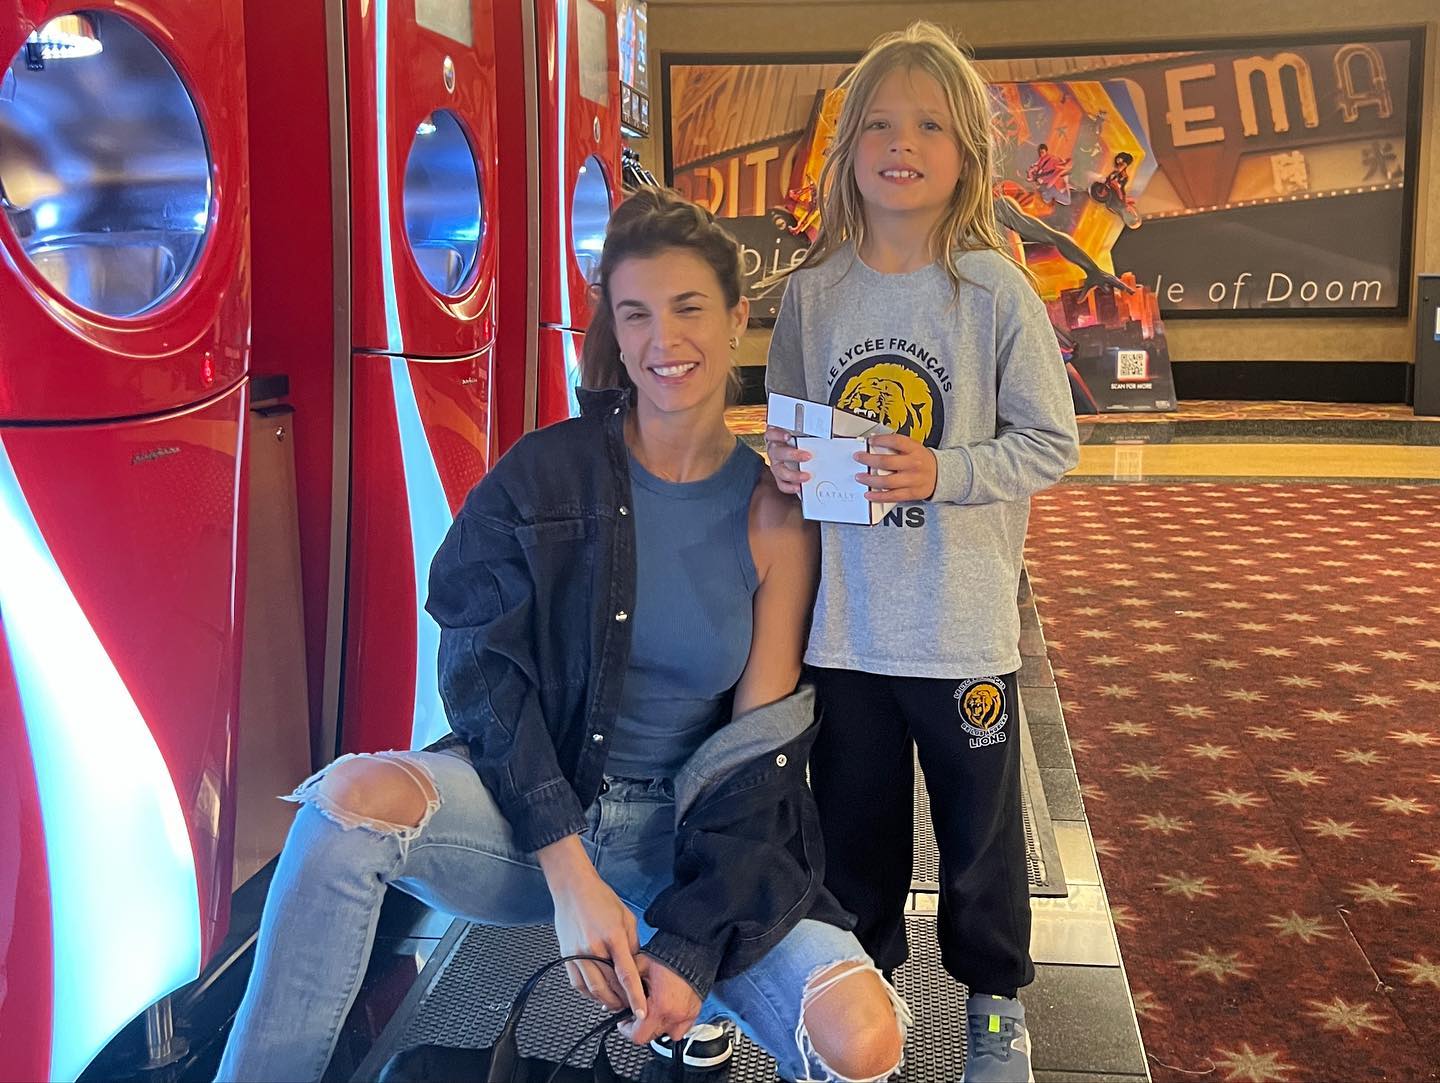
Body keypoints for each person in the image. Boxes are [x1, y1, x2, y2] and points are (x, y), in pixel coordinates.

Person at [216, 187, 909, 1083]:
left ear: (738, 317)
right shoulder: (543, 473)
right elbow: (481, 673)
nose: (664, 339)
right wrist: (571, 872)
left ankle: (697, 1000)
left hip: (688, 840)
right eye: (636, 314)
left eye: (689, 308)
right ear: (613, 329)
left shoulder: (777, 511)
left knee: (862, 1039)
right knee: (344, 806)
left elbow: (756, 758)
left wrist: (692, 943)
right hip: (532, 812)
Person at [762, 21, 1080, 1083]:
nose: (903, 143)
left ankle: (994, 1004)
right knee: (853, 836)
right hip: (847, 630)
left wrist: (939, 470)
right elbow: (794, 427)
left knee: (981, 837)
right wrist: (787, 461)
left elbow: (1051, 442)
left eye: (931, 126)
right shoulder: (815, 291)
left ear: (967, 154)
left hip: (960, 625)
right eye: (881, 124)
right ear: (847, 146)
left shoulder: (992, 289)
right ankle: (864, 996)